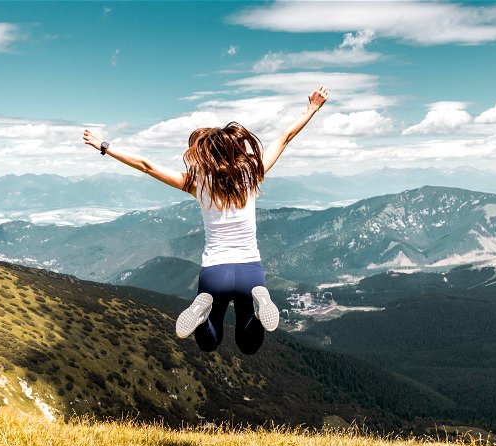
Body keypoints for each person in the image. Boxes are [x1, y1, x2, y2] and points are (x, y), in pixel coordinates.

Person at [83, 85, 329, 355]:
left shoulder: (197, 182)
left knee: (209, 342)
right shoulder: (251, 173)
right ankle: (259, 311)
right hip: (250, 273)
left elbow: (146, 165)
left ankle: (203, 310)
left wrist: (104, 146)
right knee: (248, 345)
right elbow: (284, 138)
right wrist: (312, 108)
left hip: (215, 273)